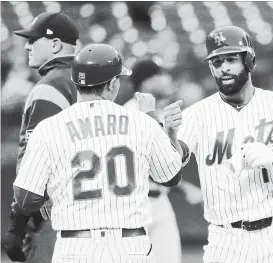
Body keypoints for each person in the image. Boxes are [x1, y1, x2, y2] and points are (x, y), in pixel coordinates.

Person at [163, 26, 273, 263]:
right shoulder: (196, 115)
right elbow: (172, 166)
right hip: (224, 241)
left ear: (249, 60)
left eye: (231, 59)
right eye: (216, 62)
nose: (224, 68)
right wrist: (171, 135)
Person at [11, 43, 183, 263]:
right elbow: (171, 176)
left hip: (74, 247)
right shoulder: (142, 121)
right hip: (129, 246)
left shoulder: (48, 128)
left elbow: (25, 199)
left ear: (76, 82)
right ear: (112, 83)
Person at [4, 11, 79, 263]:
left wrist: (19, 221)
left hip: (51, 216)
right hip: (90, 210)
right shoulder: (87, 83)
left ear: (55, 44)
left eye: (33, 40)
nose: (27, 46)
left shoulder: (51, 86)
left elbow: (38, 160)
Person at [124, 58, 203, 263]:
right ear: (146, 82)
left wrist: (183, 187)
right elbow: (148, 164)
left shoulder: (160, 112)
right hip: (134, 203)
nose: (167, 79)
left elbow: (164, 164)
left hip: (161, 201)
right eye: (160, 74)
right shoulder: (130, 113)